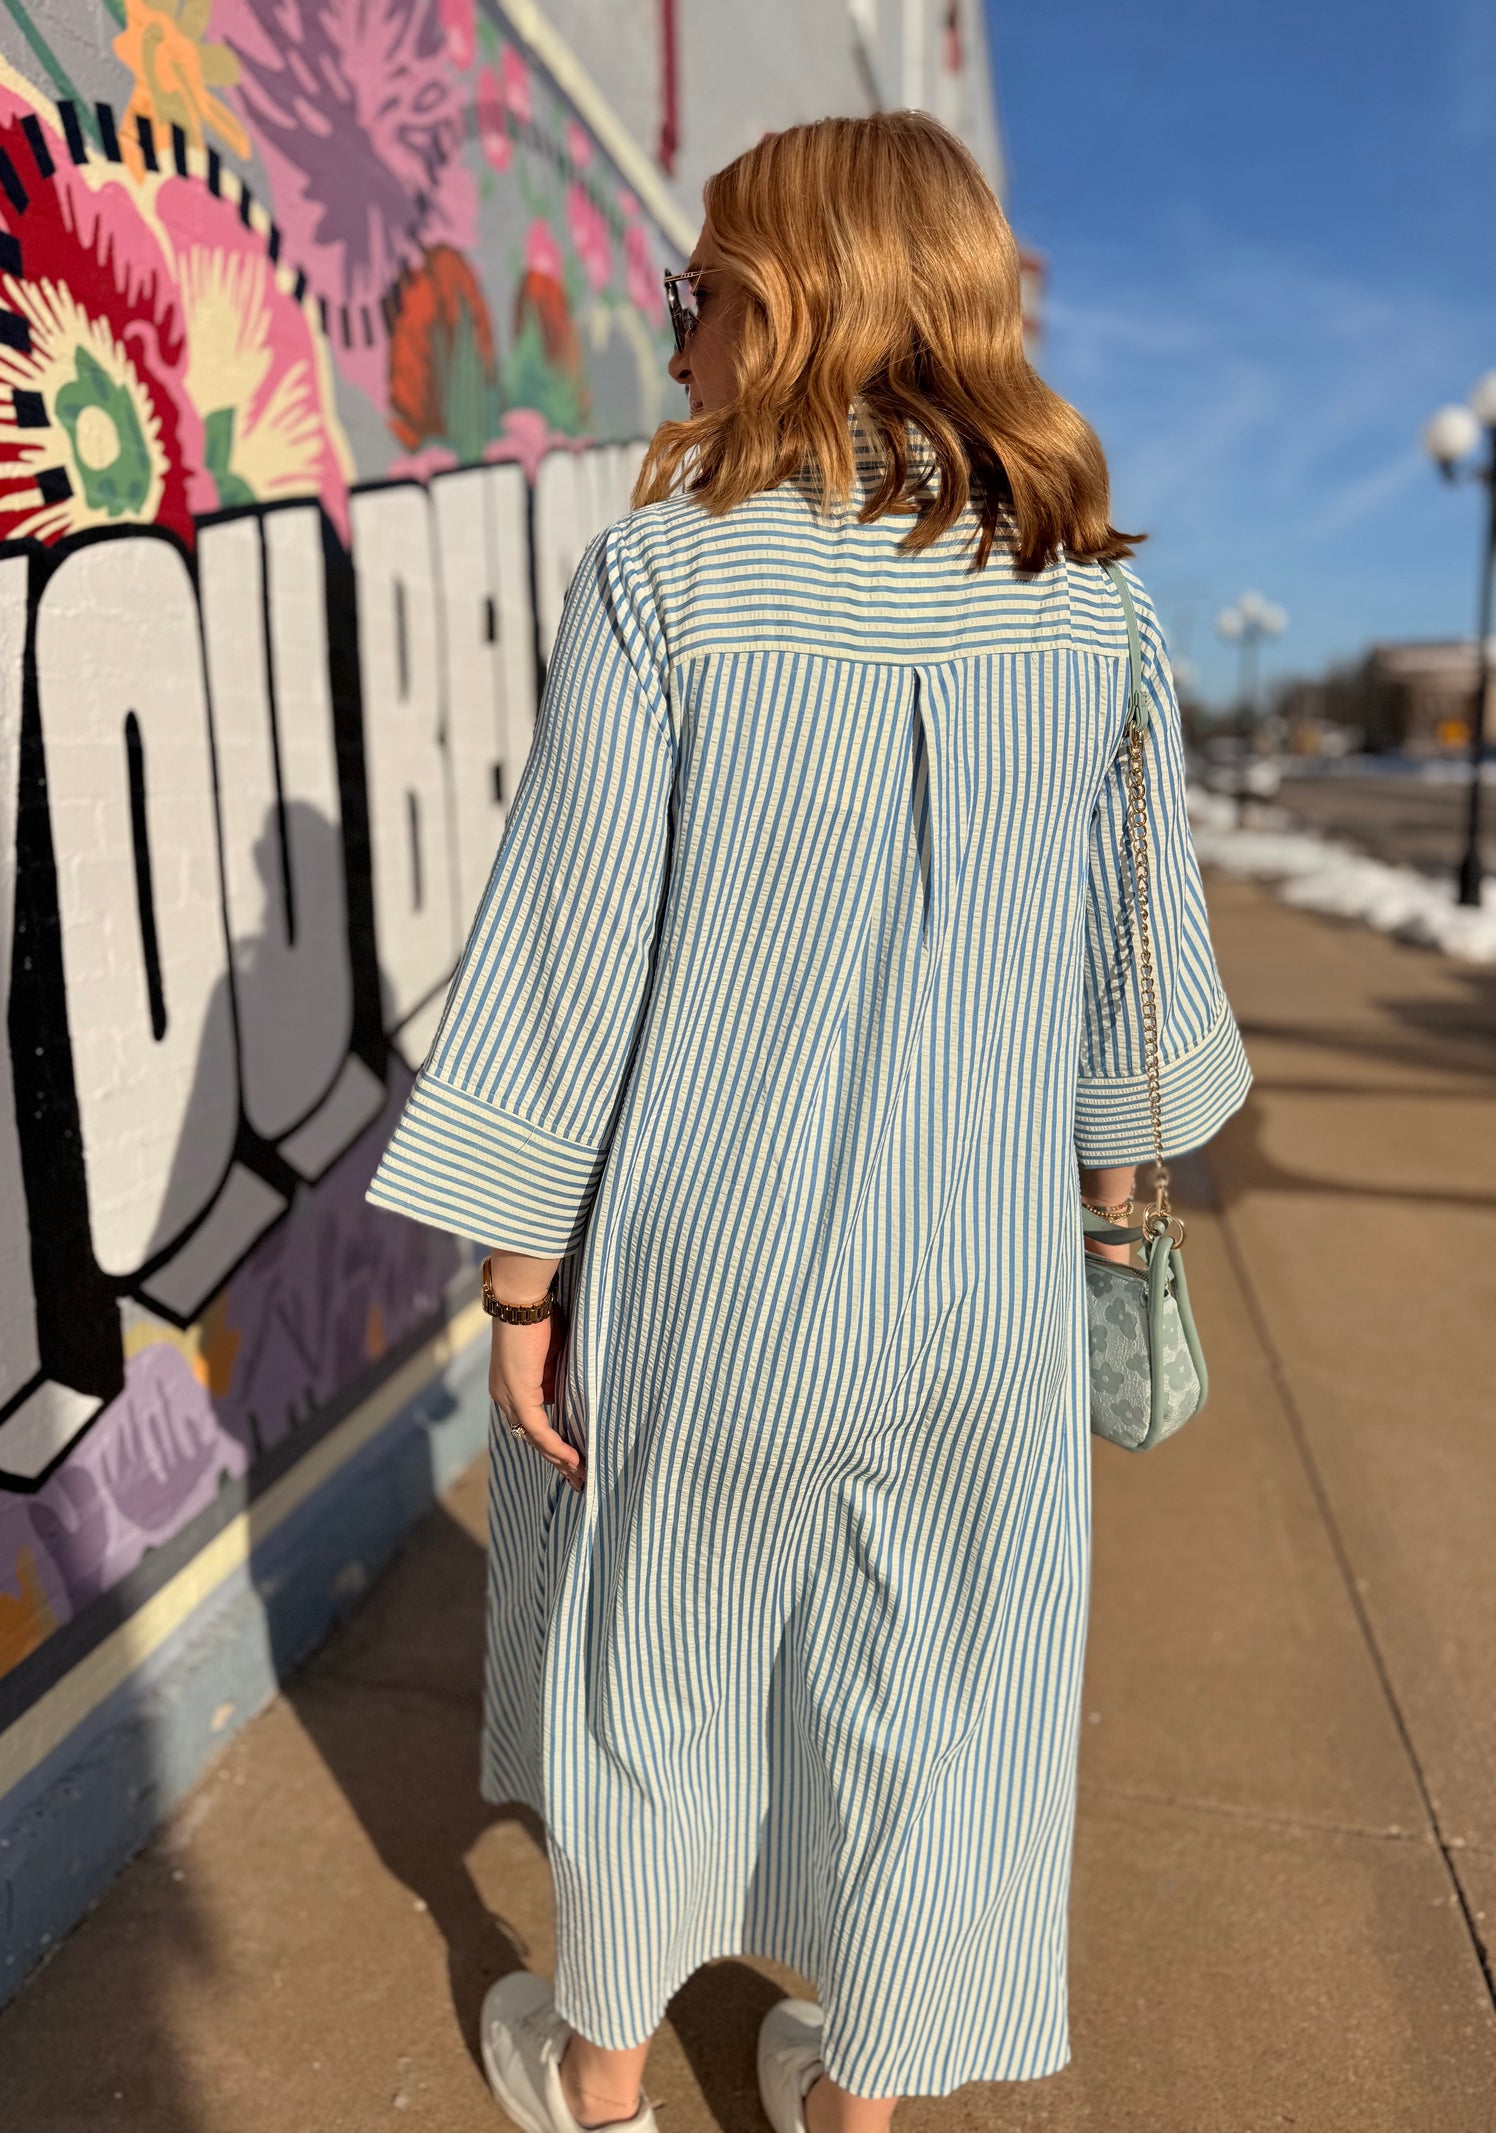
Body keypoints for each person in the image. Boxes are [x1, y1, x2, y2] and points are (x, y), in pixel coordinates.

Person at [367, 110, 1250, 2133]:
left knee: (653, 1678)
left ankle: (597, 2087)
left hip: (712, 1274)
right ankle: (849, 2096)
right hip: (993, 1289)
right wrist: (1110, 1221)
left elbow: (567, 962)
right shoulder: (1092, 610)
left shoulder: (667, 580)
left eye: (695, 296)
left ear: (782, 308)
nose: (675, 336)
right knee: (946, 1711)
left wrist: (521, 1279)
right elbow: (1138, 991)